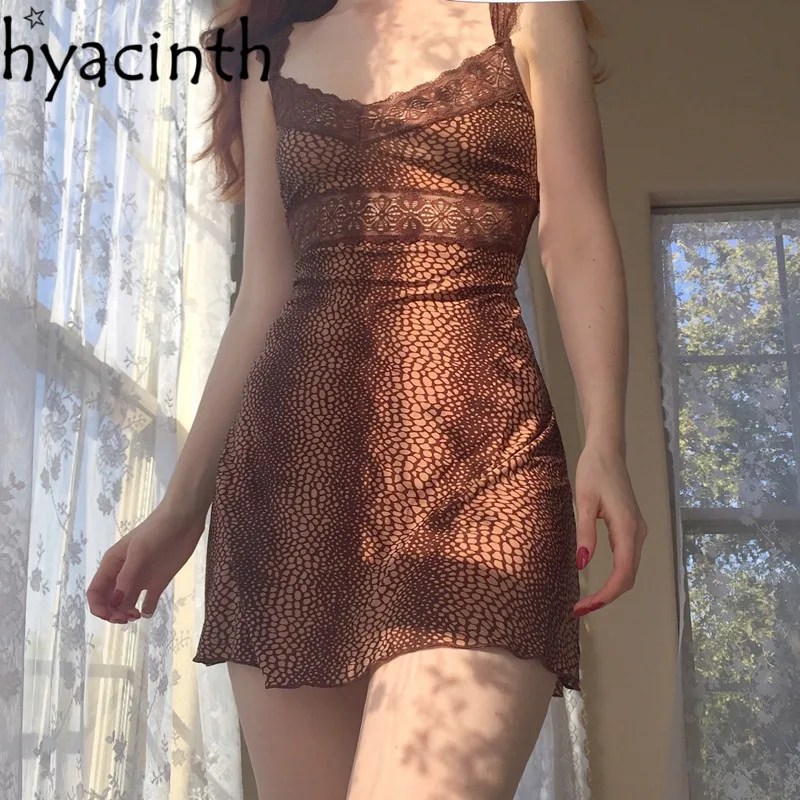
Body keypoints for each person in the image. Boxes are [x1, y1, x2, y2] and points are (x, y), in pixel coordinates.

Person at [87, 1, 648, 798]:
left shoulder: (524, 14)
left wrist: (607, 442)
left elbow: (576, 228)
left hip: (485, 467)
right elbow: (263, 296)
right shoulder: (268, 55)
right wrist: (180, 508)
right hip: (290, 492)